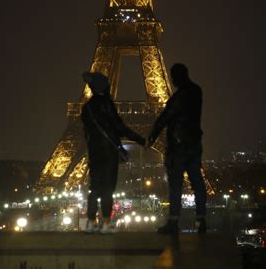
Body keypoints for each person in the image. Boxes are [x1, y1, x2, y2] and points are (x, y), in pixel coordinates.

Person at [81, 72, 146, 234]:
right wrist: (140, 139)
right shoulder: (107, 105)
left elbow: (87, 133)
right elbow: (119, 127)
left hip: (95, 152)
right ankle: (106, 222)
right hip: (109, 152)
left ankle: (90, 221)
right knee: (107, 189)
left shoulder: (86, 108)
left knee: (94, 187)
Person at [147, 63, 207, 234]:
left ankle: (173, 222)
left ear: (177, 77)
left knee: (175, 184)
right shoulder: (197, 91)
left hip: (179, 146)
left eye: (172, 77)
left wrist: (151, 137)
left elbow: (165, 117)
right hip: (195, 142)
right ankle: (201, 219)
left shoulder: (179, 97)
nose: (171, 80)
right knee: (197, 181)